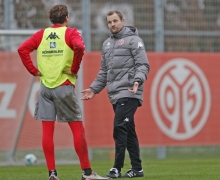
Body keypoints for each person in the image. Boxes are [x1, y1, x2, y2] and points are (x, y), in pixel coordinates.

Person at [18, 4, 109, 180]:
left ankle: (52, 174)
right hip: (64, 85)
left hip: (45, 87)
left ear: (51, 19)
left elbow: (22, 49)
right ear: (66, 18)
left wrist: (33, 70)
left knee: (47, 131)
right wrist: (74, 69)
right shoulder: (70, 32)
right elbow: (80, 48)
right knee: (77, 130)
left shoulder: (41, 35)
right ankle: (87, 174)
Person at [81, 11, 150, 178]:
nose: (112, 24)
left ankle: (116, 168)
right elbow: (104, 71)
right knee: (128, 130)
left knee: (119, 127)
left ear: (122, 21)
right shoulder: (106, 44)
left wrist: (138, 80)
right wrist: (93, 89)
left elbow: (143, 65)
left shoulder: (134, 40)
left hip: (130, 91)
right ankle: (137, 169)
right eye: (109, 22)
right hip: (115, 94)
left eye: (115, 21)